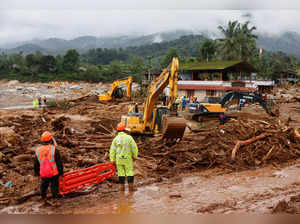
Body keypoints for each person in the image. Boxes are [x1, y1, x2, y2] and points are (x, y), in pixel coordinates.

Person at [34, 131, 63, 205]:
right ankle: (55, 201)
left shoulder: (38, 150)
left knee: (43, 186)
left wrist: (37, 172)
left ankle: (44, 200)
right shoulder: (54, 150)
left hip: (44, 173)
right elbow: (59, 163)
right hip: (54, 173)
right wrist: (61, 172)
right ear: (51, 140)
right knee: (54, 187)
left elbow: (36, 163)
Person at [110, 123, 138, 192]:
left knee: (121, 173)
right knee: (129, 172)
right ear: (124, 130)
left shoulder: (115, 139)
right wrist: (135, 156)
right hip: (127, 159)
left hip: (119, 159)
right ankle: (131, 188)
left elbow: (112, 150)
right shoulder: (129, 138)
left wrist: (112, 160)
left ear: (118, 130)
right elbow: (134, 148)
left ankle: (121, 188)